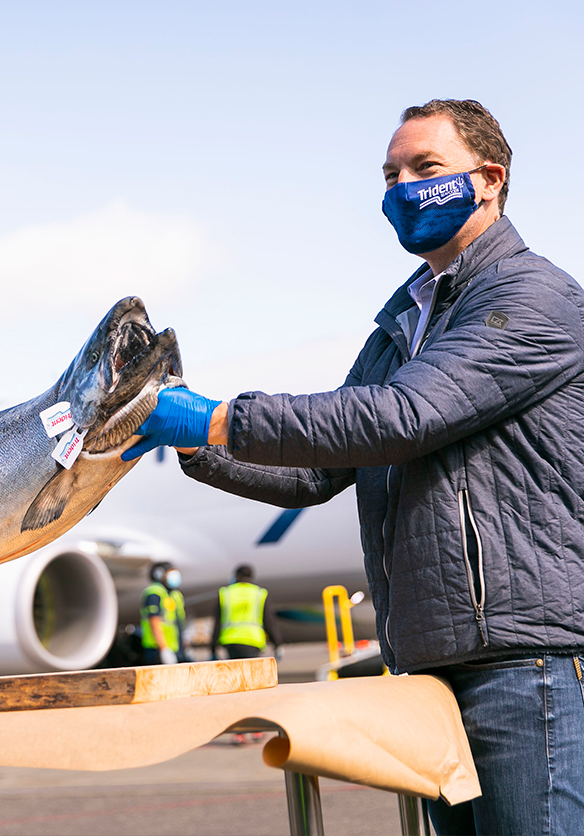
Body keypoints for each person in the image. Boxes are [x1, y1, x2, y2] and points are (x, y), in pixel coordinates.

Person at [123, 100, 584, 835]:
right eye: (390, 175)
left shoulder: (531, 295)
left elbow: (404, 416)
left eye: (425, 168)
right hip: (429, 668)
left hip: (520, 662)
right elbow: (315, 474)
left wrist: (215, 416)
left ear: (490, 179)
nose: (403, 188)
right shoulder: (402, 324)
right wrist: (192, 446)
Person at [211, 564, 283, 661]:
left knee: (234, 669)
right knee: (250, 669)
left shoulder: (225, 593)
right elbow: (269, 622)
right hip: (252, 640)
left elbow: (217, 623)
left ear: (236, 576)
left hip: (231, 641)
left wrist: (213, 647)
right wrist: (277, 643)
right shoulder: (260, 593)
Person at [139, 562, 187, 664]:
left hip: (174, 648)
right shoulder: (154, 593)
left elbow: (178, 622)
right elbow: (154, 621)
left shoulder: (174, 595)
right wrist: (164, 649)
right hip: (157, 650)